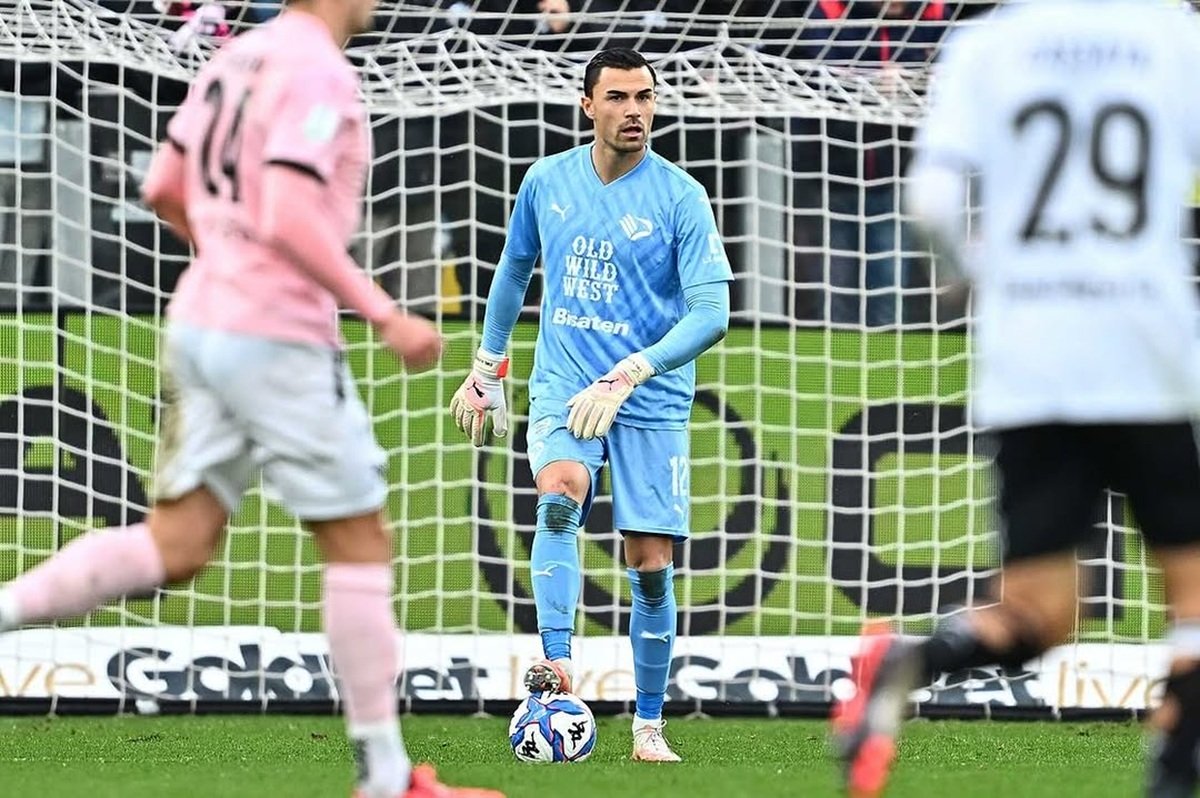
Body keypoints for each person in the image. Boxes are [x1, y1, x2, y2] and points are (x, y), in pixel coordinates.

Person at [0, 2, 501, 797]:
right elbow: (285, 207)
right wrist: (383, 312)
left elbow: (163, 185)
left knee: (179, 543)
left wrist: (224, 259)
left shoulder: (239, 57)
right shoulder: (317, 69)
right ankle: (386, 778)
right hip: (277, 335)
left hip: (202, 319)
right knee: (359, 541)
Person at [831, 2, 1200, 797]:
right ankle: (1174, 771)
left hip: (1029, 357)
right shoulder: (1175, 36)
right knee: (1195, 592)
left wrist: (980, 271)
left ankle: (915, 660)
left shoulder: (985, 43)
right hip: (1145, 346)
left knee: (1037, 612)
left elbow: (928, 200)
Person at [449, 47, 732, 762]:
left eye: (644, 97)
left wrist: (631, 372)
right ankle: (557, 664)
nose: (634, 110)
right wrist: (487, 366)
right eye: (618, 98)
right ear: (588, 105)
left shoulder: (680, 198)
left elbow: (712, 312)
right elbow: (514, 269)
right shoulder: (547, 181)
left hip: (650, 396)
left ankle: (646, 726)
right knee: (559, 493)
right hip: (565, 381)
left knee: (649, 563)